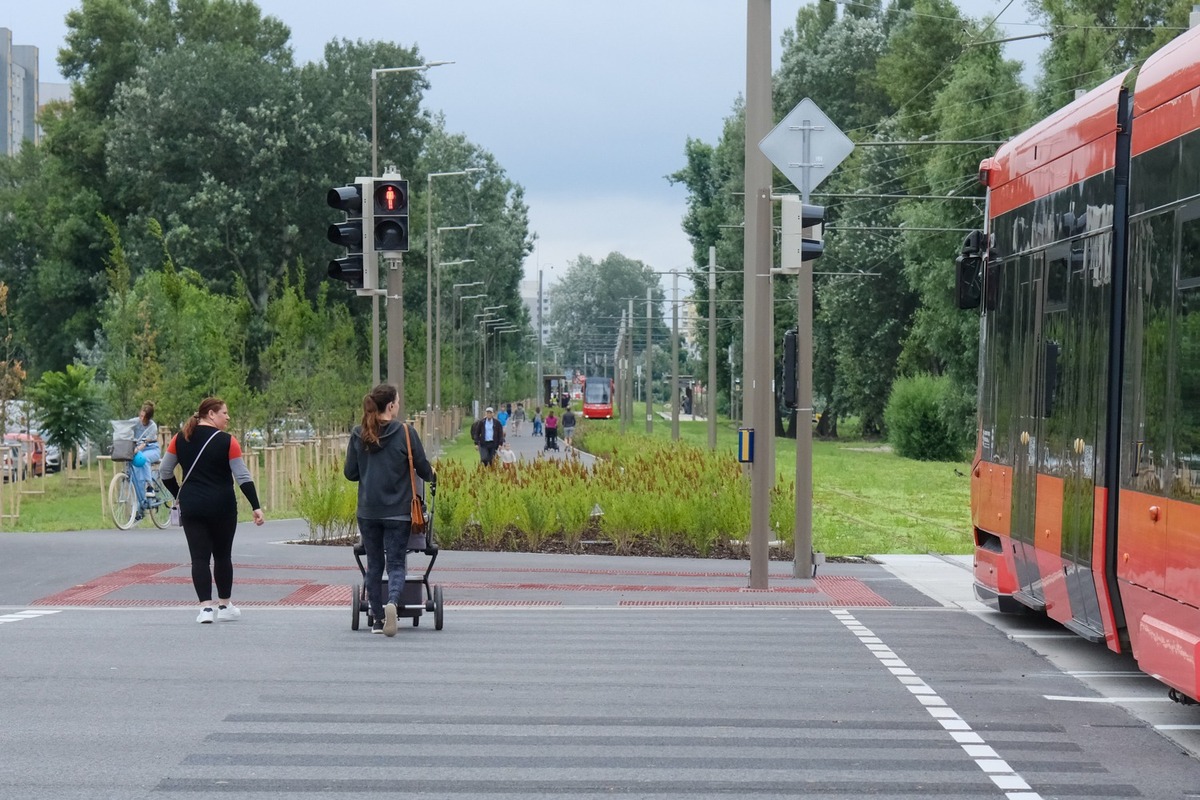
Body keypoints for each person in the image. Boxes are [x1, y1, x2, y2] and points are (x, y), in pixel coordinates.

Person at [159, 397, 265, 624]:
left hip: (192, 506)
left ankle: (205, 609)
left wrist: (179, 494)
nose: (228, 417)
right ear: (211, 414)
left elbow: (165, 471)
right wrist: (255, 505)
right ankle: (224, 605)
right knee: (222, 556)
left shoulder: (180, 438)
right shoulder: (228, 441)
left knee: (199, 558)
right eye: (224, 413)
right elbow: (242, 476)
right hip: (222, 506)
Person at [344, 384, 435, 637]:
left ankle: (377, 618)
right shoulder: (406, 432)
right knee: (396, 564)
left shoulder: (359, 433)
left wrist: (368, 468)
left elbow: (350, 473)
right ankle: (393, 602)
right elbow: (422, 468)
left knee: (374, 565)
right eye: (398, 401)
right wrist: (432, 474)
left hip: (368, 511)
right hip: (398, 512)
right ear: (391, 405)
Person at [130, 401, 160, 518]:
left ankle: (150, 486)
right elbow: (126, 426)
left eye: (144, 417)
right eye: (141, 415)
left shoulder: (152, 426)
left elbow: (144, 444)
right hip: (138, 451)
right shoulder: (135, 421)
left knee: (144, 459)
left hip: (152, 449)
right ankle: (141, 505)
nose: (141, 419)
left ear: (149, 418)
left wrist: (137, 449)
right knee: (137, 476)